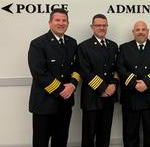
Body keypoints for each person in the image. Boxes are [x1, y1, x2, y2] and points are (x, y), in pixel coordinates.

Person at [28, 8, 80, 147]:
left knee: (61, 141)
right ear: (50, 22)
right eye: (57, 20)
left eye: (64, 20)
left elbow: (76, 67)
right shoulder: (38, 43)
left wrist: (73, 84)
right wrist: (62, 89)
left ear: (68, 23)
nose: (61, 23)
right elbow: (39, 73)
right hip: (44, 103)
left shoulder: (72, 42)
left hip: (65, 104)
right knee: (41, 142)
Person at [117, 20, 150, 147]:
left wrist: (147, 83)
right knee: (130, 135)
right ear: (133, 32)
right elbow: (121, 69)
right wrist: (135, 84)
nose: (140, 32)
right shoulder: (124, 48)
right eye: (137, 30)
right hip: (130, 98)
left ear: (147, 31)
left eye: (143, 29)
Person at [77, 14, 118, 147]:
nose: (101, 28)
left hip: (109, 99)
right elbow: (85, 71)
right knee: (88, 138)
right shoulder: (84, 47)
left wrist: (113, 85)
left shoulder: (113, 46)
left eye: (104, 25)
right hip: (91, 99)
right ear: (92, 27)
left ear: (107, 26)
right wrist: (103, 88)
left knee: (104, 137)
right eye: (98, 25)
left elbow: (116, 69)